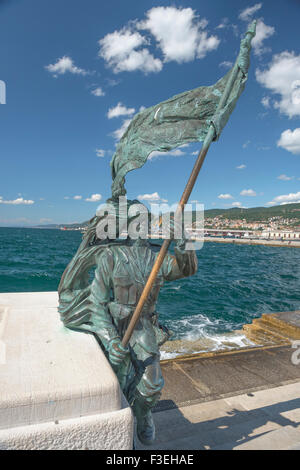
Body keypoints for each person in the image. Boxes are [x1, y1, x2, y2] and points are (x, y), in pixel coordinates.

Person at [58, 198, 197, 445]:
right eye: (137, 222)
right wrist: (110, 340)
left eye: (145, 222)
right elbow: (97, 303)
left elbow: (186, 269)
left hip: (143, 327)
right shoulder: (111, 256)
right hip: (115, 325)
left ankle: (143, 413)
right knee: (116, 387)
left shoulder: (158, 258)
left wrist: (183, 239)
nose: (141, 226)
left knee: (153, 384)